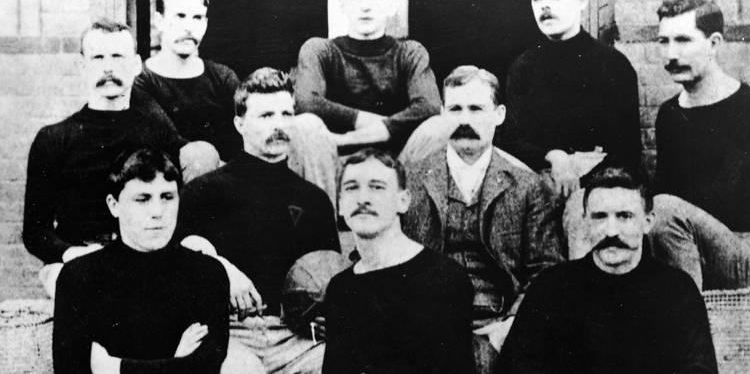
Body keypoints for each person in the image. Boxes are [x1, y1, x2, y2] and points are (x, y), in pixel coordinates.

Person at [23, 19, 218, 298]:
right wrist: (71, 253)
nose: (108, 67)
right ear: (82, 66)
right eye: (98, 57)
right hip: (80, 257)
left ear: (137, 65)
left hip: (144, 251)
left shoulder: (156, 132)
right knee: (79, 291)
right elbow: (35, 231)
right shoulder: (53, 139)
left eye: (117, 56)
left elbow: (180, 198)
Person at [175, 67, 341, 374]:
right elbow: (173, 262)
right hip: (229, 333)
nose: (279, 125)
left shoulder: (313, 199)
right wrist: (220, 268)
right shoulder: (204, 191)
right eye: (266, 116)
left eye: (286, 114)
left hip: (296, 336)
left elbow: (331, 276)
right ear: (239, 123)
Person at [402, 66, 564, 374]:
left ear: (499, 114)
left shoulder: (529, 186)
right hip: (424, 321)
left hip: (498, 321)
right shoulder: (410, 181)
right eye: (455, 109)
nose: (465, 120)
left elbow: (547, 271)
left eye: (476, 109)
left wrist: (512, 325)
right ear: (441, 114)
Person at [496, 166, 718, 374]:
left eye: (624, 216)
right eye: (600, 217)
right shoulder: (552, 287)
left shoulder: (678, 291)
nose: (611, 231)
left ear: (648, 222)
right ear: (585, 222)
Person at [53, 148, 231, 374]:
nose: (157, 212)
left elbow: (205, 367)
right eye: (143, 199)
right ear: (114, 205)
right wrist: (176, 363)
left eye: (167, 197)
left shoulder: (207, 273)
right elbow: (70, 371)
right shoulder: (79, 276)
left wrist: (114, 368)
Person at [650, 0, 750, 290]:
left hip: (746, 254)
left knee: (663, 209)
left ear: (714, 43)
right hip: (684, 242)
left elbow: (731, 201)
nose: (670, 54)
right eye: (663, 41)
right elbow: (664, 190)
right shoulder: (669, 114)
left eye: (683, 40)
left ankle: (688, 322)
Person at [323, 148, 475, 374]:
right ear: (341, 204)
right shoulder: (340, 288)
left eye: (377, 187)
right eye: (352, 188)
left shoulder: (443, 279)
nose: (363, 199)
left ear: (402, 202)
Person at [502, 0, 641, 197]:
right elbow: (511, 141)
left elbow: (628, 152)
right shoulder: (522, 68)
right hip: (537, 191)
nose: (545, 6)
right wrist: (555, 157)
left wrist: (582, 172)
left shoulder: (614, 66)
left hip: (599, 191)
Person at [294, 0, 440, 155]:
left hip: (397, 163)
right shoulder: (320, 49)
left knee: (437, 127)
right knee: (305, 124)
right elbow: (306, 103)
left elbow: (429, 107)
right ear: (342, 4)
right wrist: (382, 124)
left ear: (391, 5)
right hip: (334, 162)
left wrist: (348, 139)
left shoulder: (410, 53)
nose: (365, 6)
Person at [132, 0, 242, 162]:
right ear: (159, 21)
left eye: (197, 18)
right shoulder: (141, 80)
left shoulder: (223, 77)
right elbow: (169, 141)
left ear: (205, 24)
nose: (189, 27)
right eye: (180, 16)